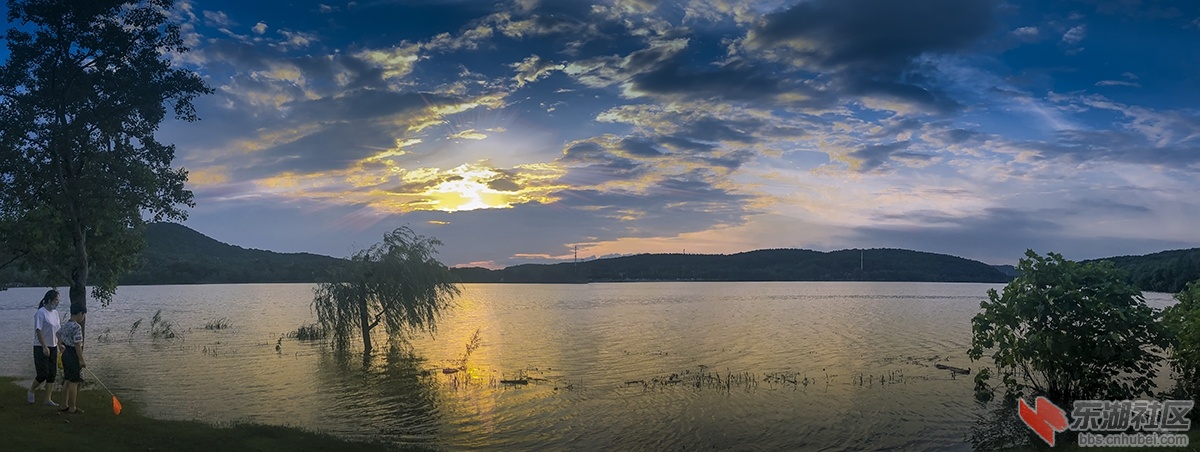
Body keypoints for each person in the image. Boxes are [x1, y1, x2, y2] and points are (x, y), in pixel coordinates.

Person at [28, 289, 60, 406]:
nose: (58, 302)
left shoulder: (55, 313)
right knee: (43, 374)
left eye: (58, 300)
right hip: (40, 346)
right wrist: (44, 346)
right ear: (50, 300)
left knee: (52, 374)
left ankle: (48, 399)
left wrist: (60, 344)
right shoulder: (40, 313)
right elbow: (38, 330)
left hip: (53, 346)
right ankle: (31, 390)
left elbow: (57, 330)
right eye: (56, 300)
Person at [58, 304, 86, 414]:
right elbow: (77, 345)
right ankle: (72, 407)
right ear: (80, 314)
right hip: (73, 354)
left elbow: (57, 333)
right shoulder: (77, 327)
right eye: (84, 315)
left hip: (65, 354)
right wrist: (81, 360)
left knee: (67, 379)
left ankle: (63, 405)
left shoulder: (66, 325)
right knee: (74, 382)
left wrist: (60, 345)